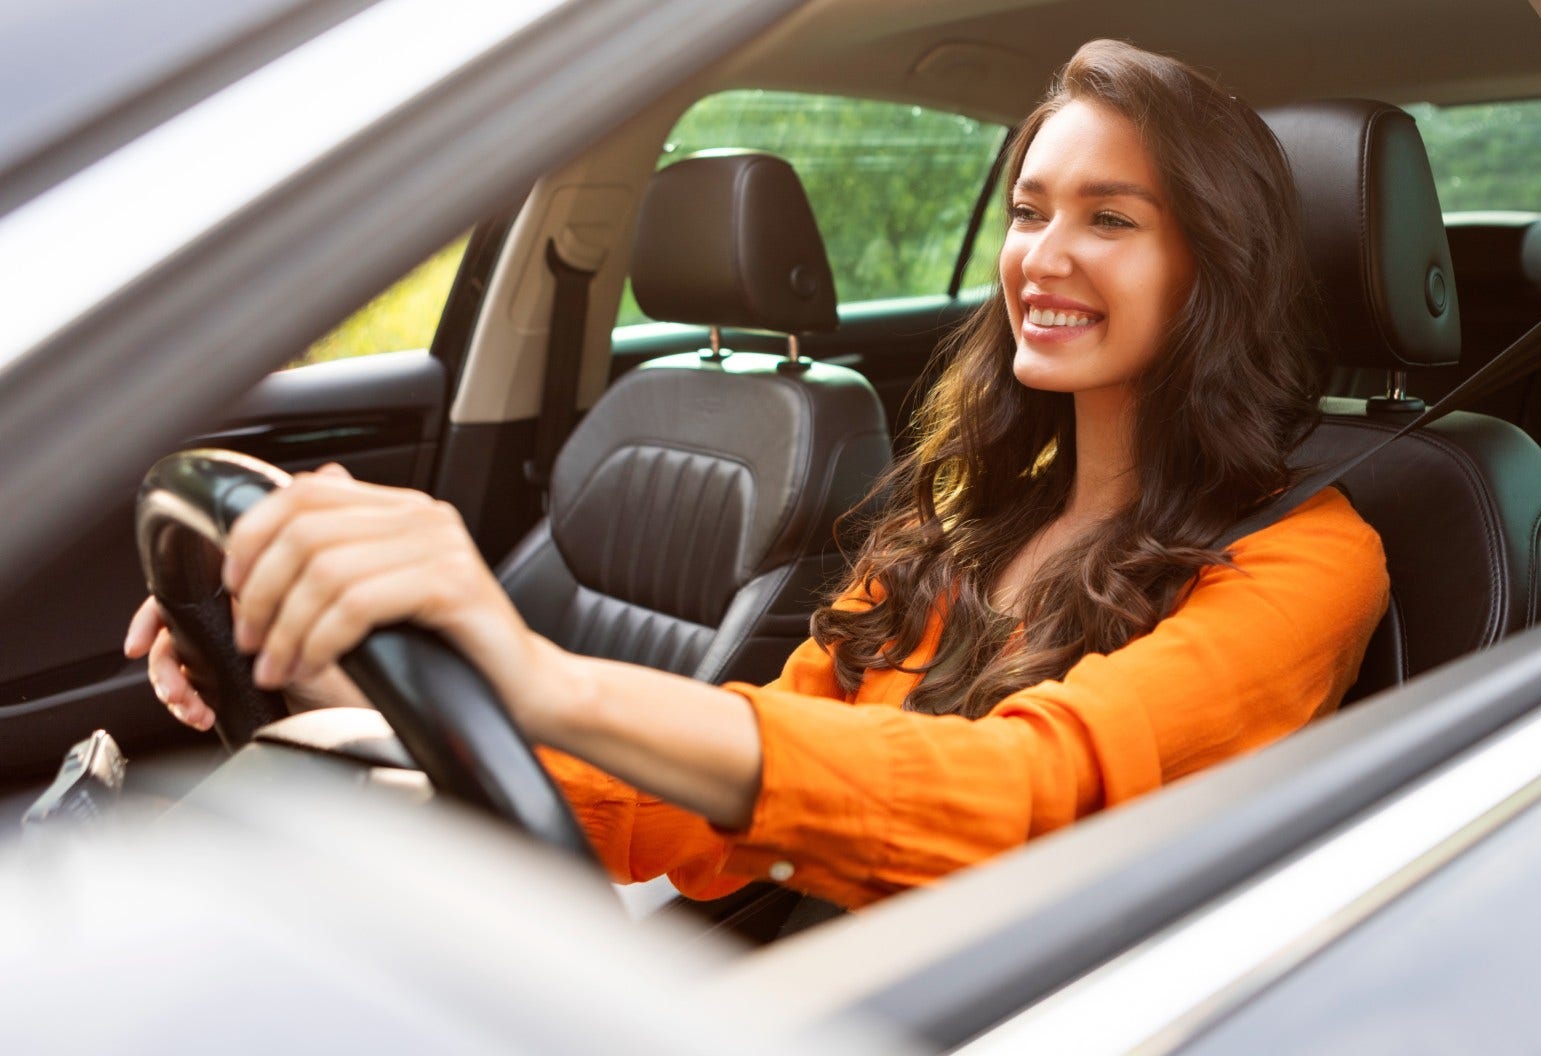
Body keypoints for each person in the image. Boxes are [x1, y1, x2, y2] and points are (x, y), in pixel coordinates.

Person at [127, 39, 1389, 911]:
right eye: (1029, 209)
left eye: (1110, 218)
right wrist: (347, 685)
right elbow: (734, 791)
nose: (1042, 256)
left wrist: (539, 676)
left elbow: (1032, 800)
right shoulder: (963, 524)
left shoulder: (1312, 558)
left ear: (1216, 268)